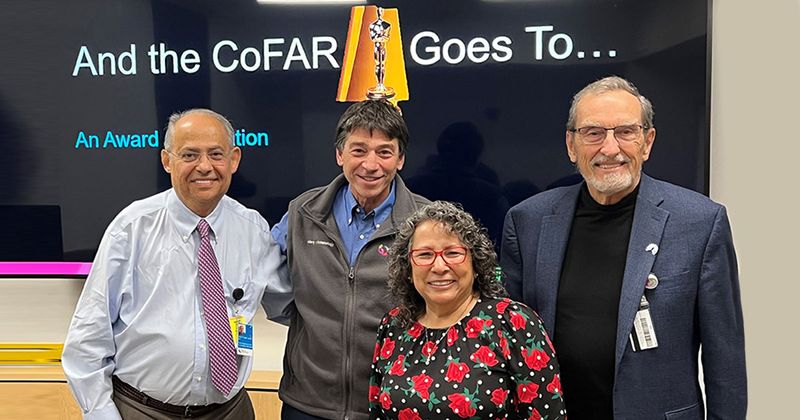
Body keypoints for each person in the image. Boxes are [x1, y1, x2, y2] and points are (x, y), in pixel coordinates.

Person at [500, 76, 747, 419]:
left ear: (647, 142)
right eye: (593, 133)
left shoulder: (701, 223)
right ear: (572, 145)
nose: (610, 148)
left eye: (625, 132)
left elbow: (726, 359)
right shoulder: (527, 220)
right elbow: (507, 342)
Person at [62, 109, 290, 420]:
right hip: (143, 410)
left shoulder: (253, 230)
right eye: (189, 155)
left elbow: (290, 305)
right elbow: (88, 337)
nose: (205, 166)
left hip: (229, 411)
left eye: (216, 154)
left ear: (234, 160)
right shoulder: (131, 228)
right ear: (167, 161)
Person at [271, 99, 429, 420]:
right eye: (358, 150)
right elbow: (264, 276)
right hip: (307, 403)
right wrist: (309, 323)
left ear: (400, 159)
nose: (370, 165)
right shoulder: (302, 213)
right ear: (339, 155)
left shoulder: (427, 223)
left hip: (391, 402)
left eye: (384, 152)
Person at [369, 201, 566, 420]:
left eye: (453, 253)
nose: (440, 267)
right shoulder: (395, 325)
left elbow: (548, 415)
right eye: (425, 255)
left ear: (476, 263)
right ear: (407, 268)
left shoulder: (512, 322)